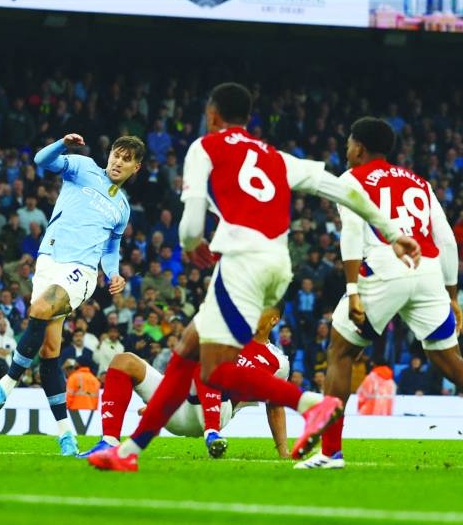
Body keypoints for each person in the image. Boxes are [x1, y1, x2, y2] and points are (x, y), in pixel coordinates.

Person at [88, 83, 421, 472]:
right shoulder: (275, 156)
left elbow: (192, 225)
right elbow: (341, 189)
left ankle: (312, 405)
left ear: (213, 114)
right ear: (247, 118)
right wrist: (394, 233)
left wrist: (192, 244)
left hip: (242, 260)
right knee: (186, 354)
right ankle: (128, 453)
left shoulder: (205, 147)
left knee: (212, 369)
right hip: (277, 264)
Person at [296, 117, 463, 470]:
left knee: (340, 351)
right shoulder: (420, 182)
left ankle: (330, 453)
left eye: (348, 145)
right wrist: (451, 294)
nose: (346, 151)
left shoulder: (351, 179)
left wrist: (353, 289)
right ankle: (329, 452)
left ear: (359, 147)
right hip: (428, 268)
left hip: (386, 266)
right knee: (450, 362)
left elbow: (353, 231)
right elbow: (446, 239)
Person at [0, 133, 145, 456]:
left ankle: (5, 385)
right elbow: (42, 161)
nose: (118, 162)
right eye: (116, 155)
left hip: (80, 272)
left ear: (135, 167)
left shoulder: (122, 208)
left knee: (40, 309)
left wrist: (112, 273)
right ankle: (66, 434)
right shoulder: (82, 167)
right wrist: (61, 144)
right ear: (109, 154)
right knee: (50, 351)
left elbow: (111, 248)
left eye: (126, 159)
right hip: (47, 262)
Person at [80, 307, 290, 460]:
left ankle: (212, 434)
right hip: (178, 405)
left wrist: (283, 452)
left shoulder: (277, 361)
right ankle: (109, 442)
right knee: (123, 361)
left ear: (274, 319)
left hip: (217, 410)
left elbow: (275, 405)